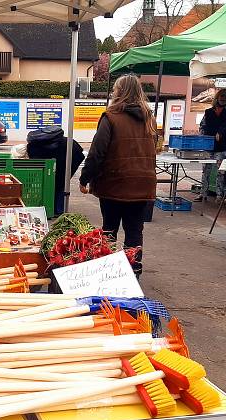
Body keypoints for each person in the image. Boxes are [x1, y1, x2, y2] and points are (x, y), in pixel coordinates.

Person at [79, 74, 157, 276]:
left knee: (109, 229)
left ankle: (109, 272)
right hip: (143, 185)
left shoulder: (110, 117)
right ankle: (134, 271)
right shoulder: (150, 119)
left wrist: (84, 178)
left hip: (114, 184)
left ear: (119, 92)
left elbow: (97, 153)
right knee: (134, 231)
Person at [26, 126, 85, 217]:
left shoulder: (34, 146)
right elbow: (80, 155)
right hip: (67, 159)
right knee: (61, 183)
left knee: (56, 183)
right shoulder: (68, 142)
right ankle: (58, 209)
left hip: (64, 160)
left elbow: (35, 163)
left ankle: (55, 208)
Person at [199, 88, 226, 204]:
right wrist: (203, 137)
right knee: (206, 171)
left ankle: (220, 195)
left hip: (222, 147)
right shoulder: (208, 112)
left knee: (221, 172)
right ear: (217, 97)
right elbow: (202, 126)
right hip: (208, 146)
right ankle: (202, 193)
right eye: (221, 96)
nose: (223, 99)